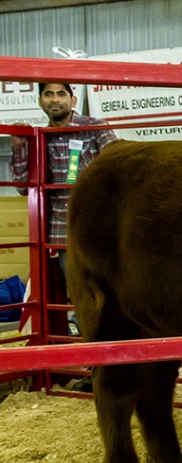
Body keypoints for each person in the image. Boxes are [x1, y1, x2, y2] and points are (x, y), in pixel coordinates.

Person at [10, 82, 116, 387]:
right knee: (85, 302)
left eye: (60, 94)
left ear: (72, 99)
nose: (54, 99)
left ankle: (124, 364)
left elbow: (116, 162)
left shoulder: (95, 128)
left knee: (118, 297)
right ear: (40, 101)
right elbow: (22, 186)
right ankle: (99, 370)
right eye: (48, 94)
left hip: (103, 229)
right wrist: (19, 148)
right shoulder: (38, 138)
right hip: (62, 232)